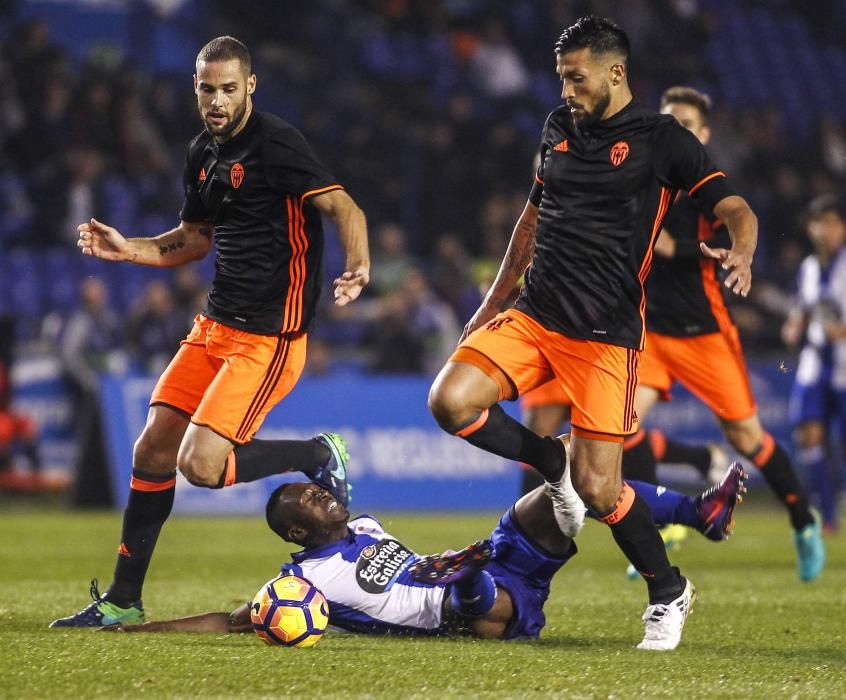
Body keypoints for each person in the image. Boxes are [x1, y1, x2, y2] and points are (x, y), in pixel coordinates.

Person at [427, 16, 758, 650]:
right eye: (561, 78)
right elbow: (532, 217)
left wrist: (741, 248)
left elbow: (734, 208)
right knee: (450, 399)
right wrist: (492, 303)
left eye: (576, 79)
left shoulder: (664, 140)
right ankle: (551, 459)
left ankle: (669, 592)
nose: (566, 91)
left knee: (603, 490)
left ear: (615, 72)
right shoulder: (558, 127)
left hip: (605, 333)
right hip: (535, 314)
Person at [51, 36, 369, 628]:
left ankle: (314, 452)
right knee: (151, 448)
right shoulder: (203, 152)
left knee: (200, 465)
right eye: (206, 89)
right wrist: (131, 250)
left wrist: (358, 265)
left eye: (228, 89)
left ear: (250, 86)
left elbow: (346, 208)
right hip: (214, 325)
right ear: (194, 88)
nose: (216, 101)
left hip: (269, 338)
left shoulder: (278, 144)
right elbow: (193, 239)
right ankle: (123, 600)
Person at [100, 439, 746, 640]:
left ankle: (699, 511)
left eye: (318, 487)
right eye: (311, 499)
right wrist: (139, 630)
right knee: (468, 590)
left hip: (489, 554)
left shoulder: (360, 523)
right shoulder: (301, 584)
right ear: (298, 531)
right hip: (467, 609)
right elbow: (233, 620)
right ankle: (470, 579)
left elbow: (336, 472)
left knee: (573, 476)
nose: (323, 492)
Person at [628, 86, 825, 581]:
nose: (679, 132)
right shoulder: (641, 179)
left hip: (704, 334)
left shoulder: (702, 184)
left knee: (748, 437)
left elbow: (737, 221)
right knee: (621, 425)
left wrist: (713, 251)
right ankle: (663, 524)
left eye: (689, 124)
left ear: (705, 133)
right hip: (649, 332)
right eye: (670, 122)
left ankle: (803, 520)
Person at [783, 195, 846, 534]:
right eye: (820, 223)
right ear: (811, 228)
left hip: (844, 366)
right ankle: (827, 515)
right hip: (814, 363)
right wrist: (794, 324)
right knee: (809, 436)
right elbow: (803, 308)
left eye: (833, 223)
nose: (826, 231)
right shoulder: (808, 267)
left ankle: (837, 499)